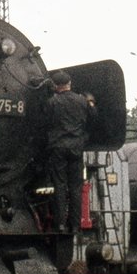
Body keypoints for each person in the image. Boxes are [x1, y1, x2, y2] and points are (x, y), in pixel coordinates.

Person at [43, 70, 96, 234]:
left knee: (59, 186)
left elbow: (44, 122)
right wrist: (91, 102)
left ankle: (59, 224)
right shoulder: (82, 101)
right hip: (76, 147)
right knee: (75, 187)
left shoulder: (52, 102)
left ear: (56, 86)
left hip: (58, 147)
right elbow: (94, 116)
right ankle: (75, 224)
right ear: (69, 83)